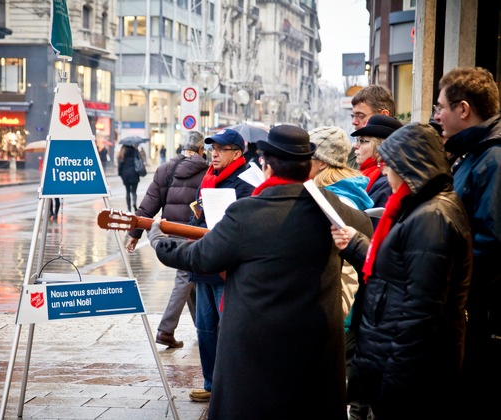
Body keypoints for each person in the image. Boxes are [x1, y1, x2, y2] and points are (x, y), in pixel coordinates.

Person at [149, 124, 373, 419]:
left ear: (266, 167)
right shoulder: (329, 207)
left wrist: (158, 241)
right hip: (316, 349)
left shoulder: (246, 213)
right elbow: (367, 234)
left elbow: (200, 257)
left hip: (256, 351)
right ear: (308, 168)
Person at [331, 122, 473, 420]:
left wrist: (393, 380)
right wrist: (356, 244)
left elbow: (420, 312)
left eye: (389, 165)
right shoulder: (418, 207)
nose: (384, 172)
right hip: (399, 364)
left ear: (410, 166)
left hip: (410, 375)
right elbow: (395, 270)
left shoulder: (432, 217)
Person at [434, 66, 501, 419]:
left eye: (440, 106)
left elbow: (492, 243)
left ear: (463, 110)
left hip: (477, 312)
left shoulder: (492, 159)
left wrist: (453, 287)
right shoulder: (474, 154)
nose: (436, 115)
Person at [309, 126, 374, 420]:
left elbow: (346, 266)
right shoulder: (337, 193)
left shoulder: (337, 200)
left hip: (339, 312)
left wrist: (338, 313)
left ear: (321, 161)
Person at [186, 128, 254, 403]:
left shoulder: (245, 183)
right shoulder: (209, 179)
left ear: (237, 153)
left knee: (229, 330)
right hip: (204, 266)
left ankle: (233, 386)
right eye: (212, 148)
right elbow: (198, 217)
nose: (214, 153)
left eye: (221, 149)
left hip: (228, 269)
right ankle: (211, 383)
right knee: (205, 329)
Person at [125, 131, 209, 348]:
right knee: (186, 278)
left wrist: (134, 234)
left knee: (191, 280)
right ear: (201, 150)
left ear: (181, 147)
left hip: (171, 234)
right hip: (194, 235)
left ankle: (204, 329)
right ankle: (166, 330)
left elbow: (148, 205)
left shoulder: (166, 169)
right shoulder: (207, 172)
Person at [350, 115, 403, 209]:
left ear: (380, 146)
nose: (356, 146)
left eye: (362, 141)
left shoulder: (387, 181)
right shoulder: (364, 175)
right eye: (358, 140)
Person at [347, 85, 396, 169]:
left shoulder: (400, 155)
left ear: (384, 115)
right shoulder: (352, 154)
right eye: (353, 116)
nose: (354, 122)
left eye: (360, 115)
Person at [117, 144, 141, 212]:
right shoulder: (135, 151)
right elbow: (140, 162)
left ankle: (129, 208)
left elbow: (120, 165)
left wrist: (120, 174)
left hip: (126, 174)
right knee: (134, 191)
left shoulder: (122, 152)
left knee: (127, 191)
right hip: (135, 174)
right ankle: (134, 203)